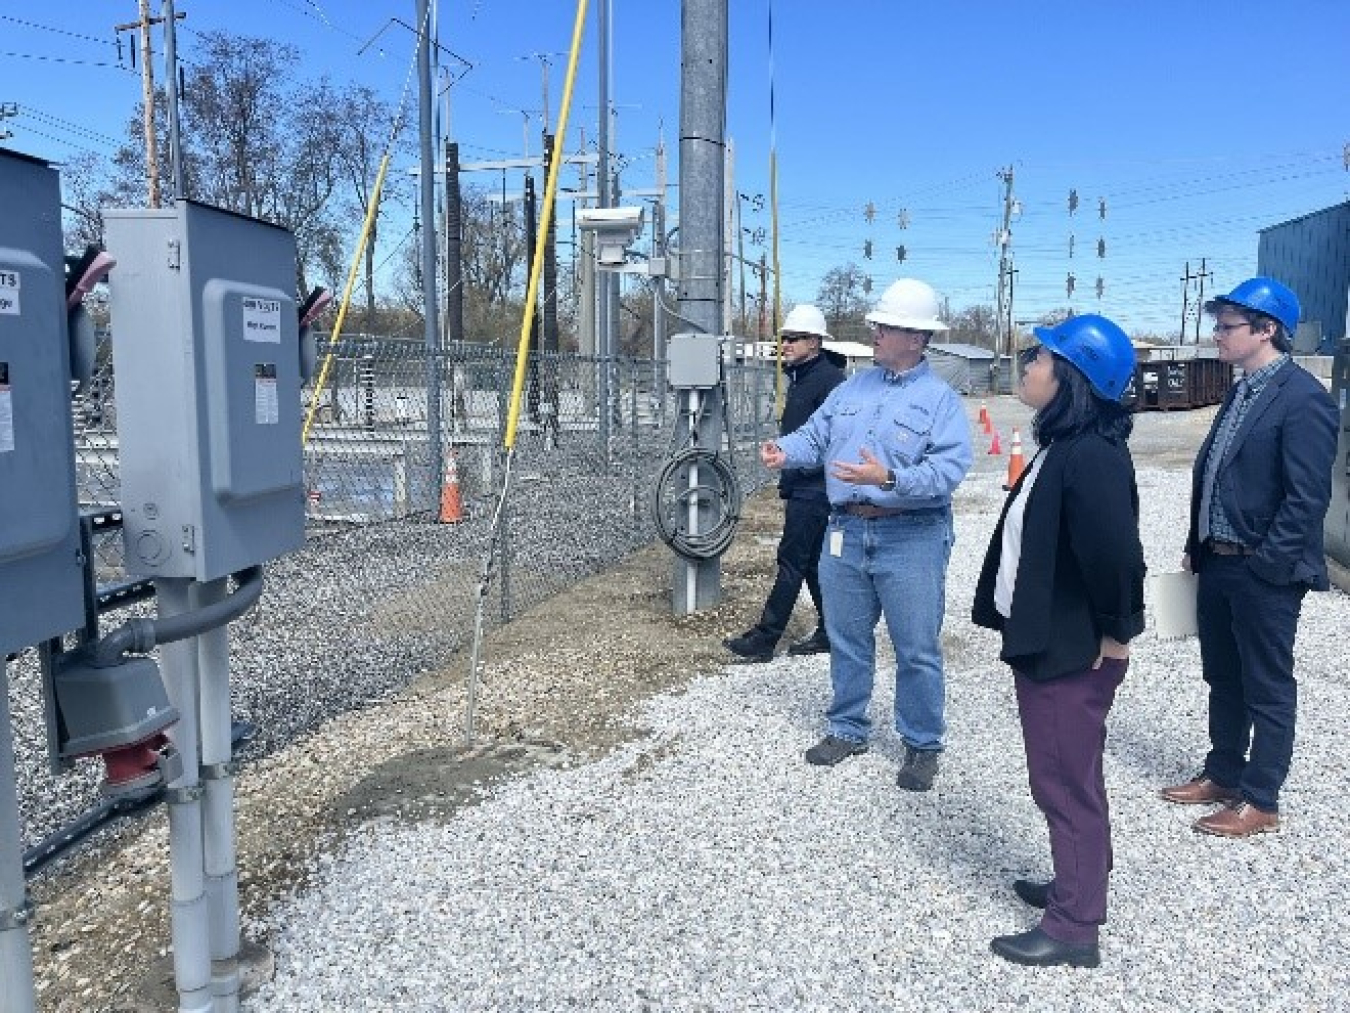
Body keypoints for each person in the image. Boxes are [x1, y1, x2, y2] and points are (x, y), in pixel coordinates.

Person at [971, 313, 1145, 968]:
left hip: (1072, 649)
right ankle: (1078, 878)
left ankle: (1074, 925)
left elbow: (1118, 558)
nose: (1027, 367)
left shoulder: (1091, 454)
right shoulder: (1067, 442)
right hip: (1048, 636)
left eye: (1039, 359)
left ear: (1071, 377)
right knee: (1071, 772)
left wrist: (1118, 633)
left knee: (1063, 782)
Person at [762, 278, 972, 791]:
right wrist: (785, 450)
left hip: (911, 534)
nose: (875, 331)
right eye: (878, 323)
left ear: (917, 338)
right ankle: (847, 727)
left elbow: (949, 472)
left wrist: (891, 479)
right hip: (846, 530)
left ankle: (921, 744)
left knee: (916, 646)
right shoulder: (851, 389)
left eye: (887, 325)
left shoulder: (940, 400)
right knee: (847, 637)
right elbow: (816, 438)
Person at [1161, 278, 1338, 837]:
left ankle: (1261, 799)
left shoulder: (1304, 399)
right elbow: (1215, 475)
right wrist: (1198, 544)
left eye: (1226, 326)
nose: (1216, 335)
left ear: (1267, 330)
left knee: (1267, 683)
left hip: (1263, 570)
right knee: (1224, 676)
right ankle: (1223, 773)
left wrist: (1267, 564)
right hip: (1217, 561)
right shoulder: (1240, 391)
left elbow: (1307, 497)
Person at [724, 304, 846, 662]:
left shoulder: (828, 383)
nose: (786, 344)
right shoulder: (803, 377)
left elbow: (832, 439)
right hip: (803, 483)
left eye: (794, 338)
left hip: (816, 487)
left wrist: (803, 471)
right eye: (784, 338)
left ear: (815, 341)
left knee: (791, 560)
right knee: (809, 563)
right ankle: (831, 631)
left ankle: (765, 638)